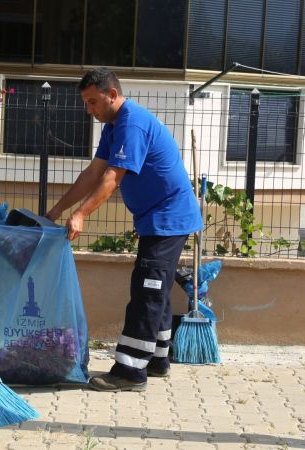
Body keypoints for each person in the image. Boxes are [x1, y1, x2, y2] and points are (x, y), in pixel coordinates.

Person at [46, 68, 202, 392]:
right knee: (154, 287)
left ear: (112, 95)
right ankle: (157, 359)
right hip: (157, 219)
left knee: (147, 288)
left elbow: (112, 178)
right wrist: (57, 210)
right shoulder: (113, 126)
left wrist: (81, 215)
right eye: (86, 103)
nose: (89, 110)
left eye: (93, 102)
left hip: (169, 217)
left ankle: (130, 372)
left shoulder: (132, 123)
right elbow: (93, 173)